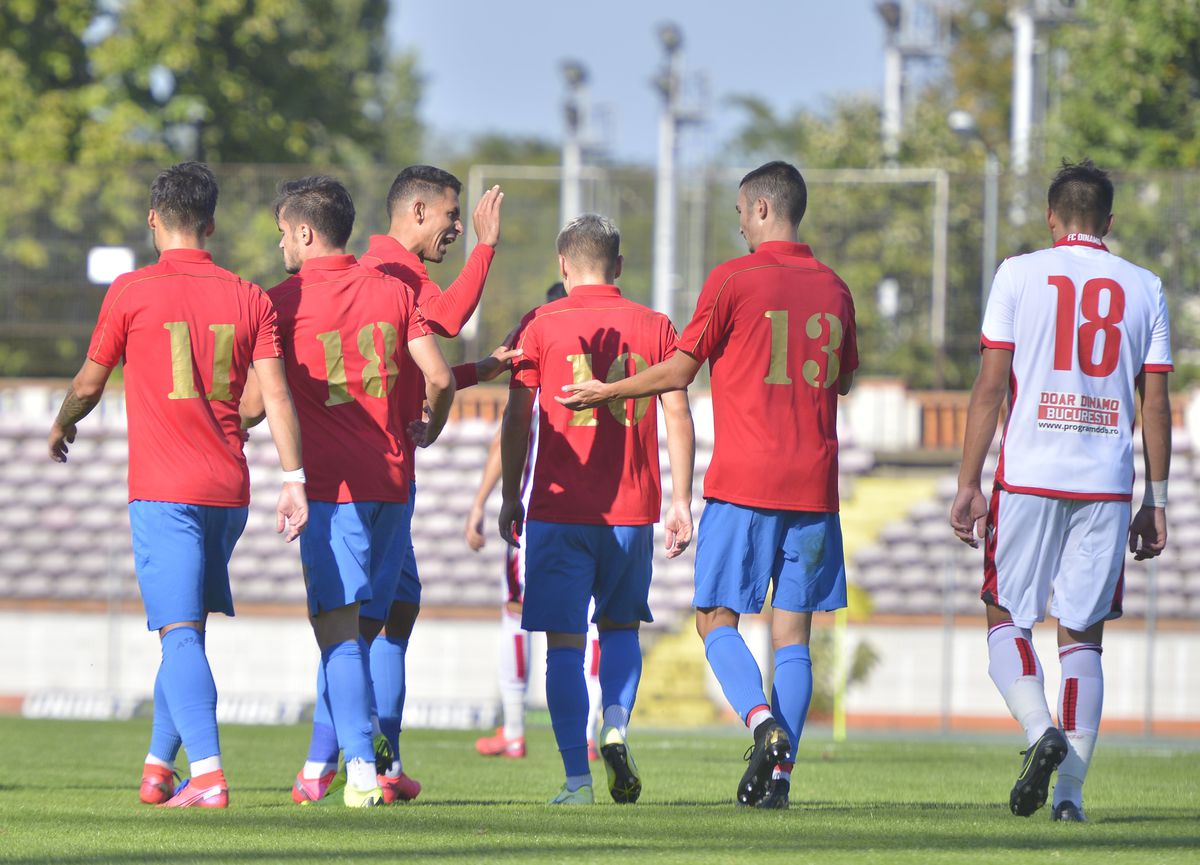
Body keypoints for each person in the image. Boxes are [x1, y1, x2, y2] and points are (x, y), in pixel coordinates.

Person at [560, 161, 858, 810]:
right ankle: (778, 780)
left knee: (714, 617)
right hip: (816, 488)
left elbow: (680, 369)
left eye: (739, 214)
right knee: (793, 635)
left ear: (757, 209)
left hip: (746, 480)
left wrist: (609, 389)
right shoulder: (836, 288)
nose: (739, 227)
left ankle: (761, 723)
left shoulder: (734, 278)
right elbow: (845, 378)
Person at [48, 162, 309, 808]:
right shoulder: (250, 296)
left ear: (152, 219)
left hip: (164, 489)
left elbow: (88, 382)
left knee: (179, 632)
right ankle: (159, 765)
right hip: (229, 490)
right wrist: (294, 479)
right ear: (212, 224)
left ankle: (211, 775)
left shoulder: (131, 291)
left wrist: (61, 424)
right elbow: (275, 395)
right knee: (186, 628)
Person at [950, 159, 1171, 822]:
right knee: (1083, 639)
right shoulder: (1146, 287)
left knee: (1005, 615)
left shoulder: (1018, 273)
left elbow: (991, 386)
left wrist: (968, 482)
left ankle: (1038, 728)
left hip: (1027, 475)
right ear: (1109, 222)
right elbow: (1154, 402)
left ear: (1052, 217)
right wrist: (1155, 499)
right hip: (1105, 484)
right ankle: (1070, 797)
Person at [258, 175, 455, 807]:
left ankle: (361, 774)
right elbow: (440, 377)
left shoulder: (279, 303)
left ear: (305, 231)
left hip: (332, 488)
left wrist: (226, 424)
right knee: (367, 633)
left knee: (338, 632)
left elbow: (257, 402)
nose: (282, 244)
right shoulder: (395, 291)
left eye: (284, 232)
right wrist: (429, 428)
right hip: (393, 485)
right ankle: (321, 767)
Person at [500, 214, 695, 805]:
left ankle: (576, 780)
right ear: (619, 264)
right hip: (632, 511)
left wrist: (512, 492)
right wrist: (681, 500)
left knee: (563, 643)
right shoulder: (654, 325)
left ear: (563, 265)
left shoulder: (539, 323)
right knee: (619, 629)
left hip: (559, 511)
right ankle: (614, 720)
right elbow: (679, 415)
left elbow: (517, 417)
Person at [354, 165, 512, 794]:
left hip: (379, 460)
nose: (456, 227)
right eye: (452, 215)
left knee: (394, 607)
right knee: (363, 619)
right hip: (379, 468)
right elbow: (446, 318)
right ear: (419, 212)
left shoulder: (379, 268)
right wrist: (487, 246)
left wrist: (484, 369)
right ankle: (345, 759)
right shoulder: (396, 273)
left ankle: (380, 760)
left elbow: (422, 374)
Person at [465, 283, 603, 761]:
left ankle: (516, 730)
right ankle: (592, 734)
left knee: (517, 617)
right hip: (610, 509)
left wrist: (487, 502)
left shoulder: (541, 350)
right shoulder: (609, 354)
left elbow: (514, 431)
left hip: (545, 508)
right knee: (597, 623)